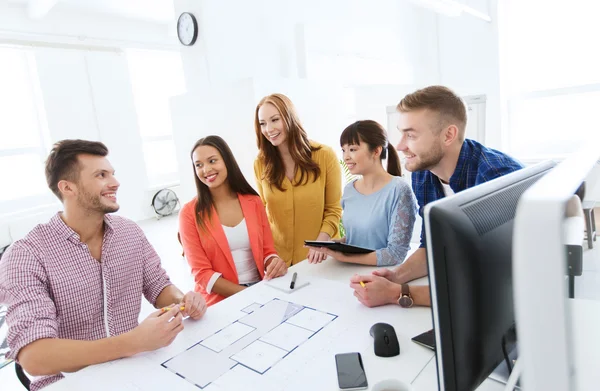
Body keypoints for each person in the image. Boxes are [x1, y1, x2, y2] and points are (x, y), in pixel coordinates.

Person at [0, 140, 207, 391]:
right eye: (101, 175)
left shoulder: (129, 232)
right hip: (68, 381)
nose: (115, 182)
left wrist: (183, 299)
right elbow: (34, 357)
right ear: (67, 187)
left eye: (112, 173)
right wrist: (133, 343)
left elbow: (158, 286)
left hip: (137, 368)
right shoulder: (26, 254)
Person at [350, 86, 524, 308]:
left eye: (411, 135)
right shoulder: (423, 173)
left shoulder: (497, 179)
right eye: (401, 133)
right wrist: (395, 277)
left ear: (448, 135)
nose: (400, 146)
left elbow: (497, 285)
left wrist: (397, 293)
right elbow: (431, 245)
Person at [179, 136, 288, 307]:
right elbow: (202, 273)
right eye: (198, 165)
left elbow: (268, 251)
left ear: (227, 161)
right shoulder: (189, 213)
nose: (206, 169)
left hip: (261, 288)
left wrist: (274, 262)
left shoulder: (254, 202)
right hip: (219, 301)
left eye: (212, 161)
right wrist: (248, 294)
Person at [310, 120, 417, 266]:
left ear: (376, 151)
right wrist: (334, 245)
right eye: (344, 150)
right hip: (344, 273)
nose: (346, 156)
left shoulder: (399, 190)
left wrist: (344, 257)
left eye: (352, 149)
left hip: (381, 278)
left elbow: (396, 254)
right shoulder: (349, 190)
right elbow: (359, 237)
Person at [253, 93, 342, 266]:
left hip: (320, 259)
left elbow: (334, 210)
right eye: (262, 123)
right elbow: (264, 214)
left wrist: (319, 244)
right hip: (281, 263)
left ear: (289, 117)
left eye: (275, 120)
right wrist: (269, 256)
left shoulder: (324, 156)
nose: (268, 129)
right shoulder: (260, 164)